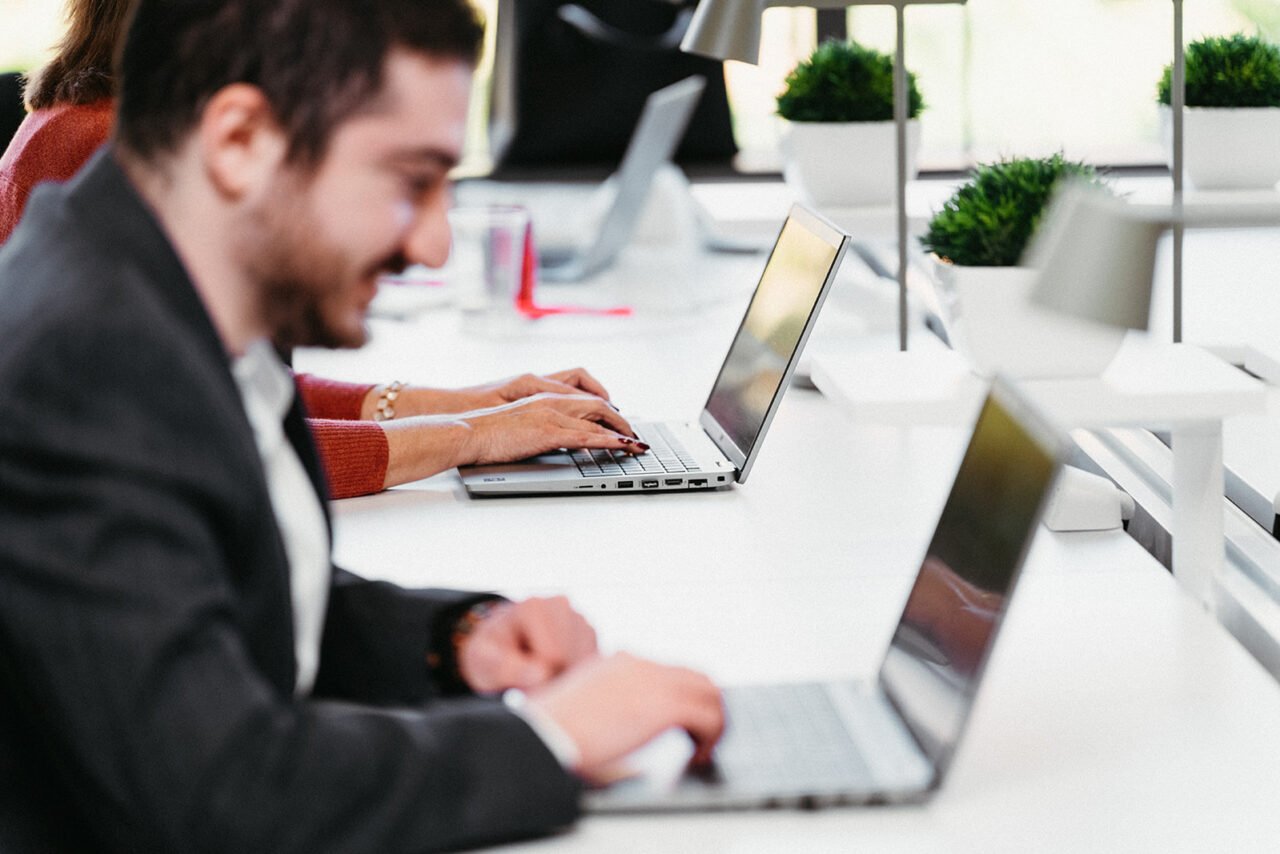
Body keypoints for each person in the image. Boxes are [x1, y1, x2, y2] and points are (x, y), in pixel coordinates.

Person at [0, 0, 724, 851]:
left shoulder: (179, 286)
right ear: (238, 143)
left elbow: (228, 587)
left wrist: (455, 643)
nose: (435, 246)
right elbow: (220, 795)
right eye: (407, 181)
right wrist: (548, 737)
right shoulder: (89, 367)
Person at [0, 0, 647, 500]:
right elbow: (220, 452)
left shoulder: (115, 127)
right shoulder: (115, 154)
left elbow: (243, 392)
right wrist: (471, 436)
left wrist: (474, 403)